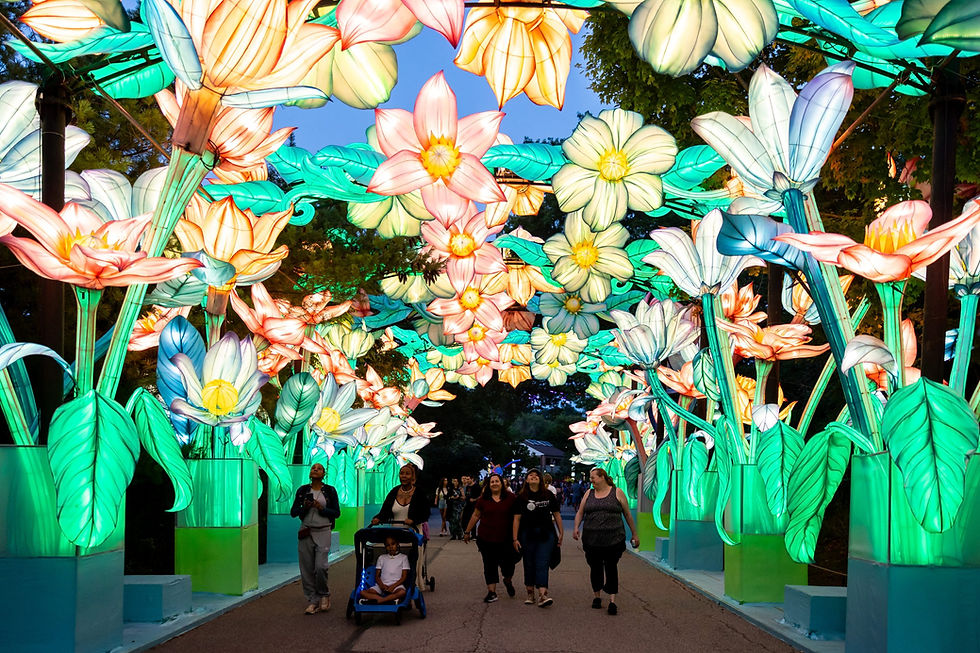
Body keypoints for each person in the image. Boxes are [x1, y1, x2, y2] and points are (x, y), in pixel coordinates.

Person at [573, 467, 640, 615]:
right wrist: (576, 527)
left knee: (611, 567)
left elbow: (627, 514)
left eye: (593, 477)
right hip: (592, 540)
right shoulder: (589, 493)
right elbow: (580, 512)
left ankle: (612, 600)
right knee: (595, 568)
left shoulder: (617, 492)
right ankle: (597, 596)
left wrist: (634, 534)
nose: (591, 480)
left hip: (613, 540)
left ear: (602, 477)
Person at [289, 463, 341, 615]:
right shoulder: (303, 490)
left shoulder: (330, 490)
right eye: (313, 468)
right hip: (306, 531)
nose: (315, 470)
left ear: (324, 474)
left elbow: (336, 513)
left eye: (319, 468)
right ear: (310, 473)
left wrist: (322, 508)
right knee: (306, 568)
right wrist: (304, 507)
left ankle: (324, 594)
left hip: (323, 530)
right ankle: (313, 599)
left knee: (320, 566)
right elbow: (293, 512)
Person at [463, 473, 517, 603]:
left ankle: (507, 580)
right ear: (488, 485)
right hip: (486, 538)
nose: (494, 484)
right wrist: (467, 531)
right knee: (489, 565)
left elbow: (517, 516)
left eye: (497, 481)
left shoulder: (511, 498)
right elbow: (476, 515)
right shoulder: (483, 499)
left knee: (508, 566)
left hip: (506, 539)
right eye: (492, 482)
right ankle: (492, 592)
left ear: (502, 483)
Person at [513, 468, 562, 607]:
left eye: (536, 475)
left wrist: (561, 533)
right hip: (527, 534)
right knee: (529, 562)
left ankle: (542, 594)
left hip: (546, 533)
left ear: (540, 480)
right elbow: (516, 519)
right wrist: (515, 538)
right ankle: (530, 593)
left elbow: (557, 514)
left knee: (542, 562)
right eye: (530, 475)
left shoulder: (548, 495)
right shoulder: (521, 497)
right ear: (526, 480)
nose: (534, 477)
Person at [371, 464, 431, 529]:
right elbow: (384, 511)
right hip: (396, 532)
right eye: (401, 473)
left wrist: (413, 521)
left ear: (412, 477)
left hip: (413, 532)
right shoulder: (394, 492)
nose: (404, 476)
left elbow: (426, 514)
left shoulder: (419, 493)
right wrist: (378, 518)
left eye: (407, 474)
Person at [359, 536, 410, 605]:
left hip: (396, 586)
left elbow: (404, 577)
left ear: (397, 544)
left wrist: (393, 586)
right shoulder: (381, 558)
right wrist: (382, 586)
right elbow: (377, 576)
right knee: (362, 592)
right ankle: (388, 600)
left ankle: (380, 600)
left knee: (402, 592)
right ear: (385, 546)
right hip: (382, 585)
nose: (391, 547)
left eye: (393, 544)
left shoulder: (403, 557)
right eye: (388, 545)